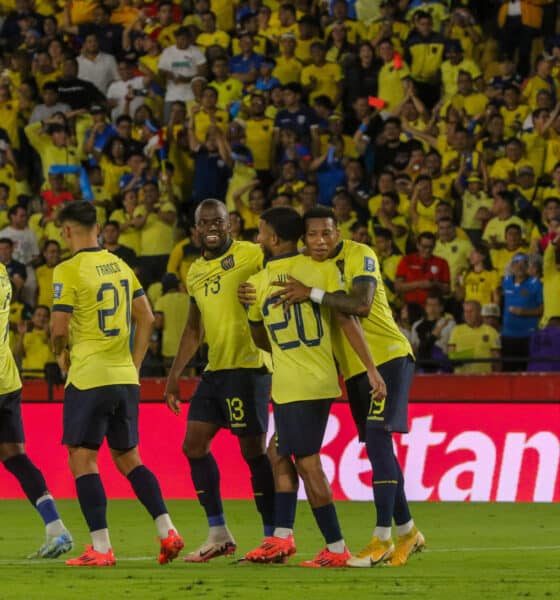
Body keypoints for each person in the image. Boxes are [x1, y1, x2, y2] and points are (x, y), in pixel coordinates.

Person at [261, 206, 424, 567]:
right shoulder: (309, 268)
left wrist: (312, 292)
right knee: (378, 445)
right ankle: (409, 531)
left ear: (338, 232)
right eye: (313, 235)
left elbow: (360, 306)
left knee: (379, 439)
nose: (320, 241)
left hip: (388, 358)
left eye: (327, 234)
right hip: (353, 372)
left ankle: (381, 538)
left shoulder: (359, 254)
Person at [242, 207, 384, 567]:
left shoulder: (258, 283)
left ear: (273, 238)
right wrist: (370, 367)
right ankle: (282, 537)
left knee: (307, 464)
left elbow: (259, 337)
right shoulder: (321, 271)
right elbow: (347, 319)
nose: (258, 238)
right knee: (278, 453)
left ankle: (336, 548)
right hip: (315, 379)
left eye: (260, 232)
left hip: (296, 384)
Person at [50, 201, 183, 566]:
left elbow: (59, 328)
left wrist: (60, 355)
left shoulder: (68, 269)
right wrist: (135, 364)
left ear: (66, 231)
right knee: (129, 458)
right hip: (125, 377)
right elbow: (147, 317)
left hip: (90, 376)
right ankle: (167, 530)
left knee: (83, 459)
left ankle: (102, 548)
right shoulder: (121, 265)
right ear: (97, 227)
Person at [163, 199, 275, 562]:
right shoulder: (194, 272)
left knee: (253, 453)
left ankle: (273, 536)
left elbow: (284, 272)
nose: (211, 227)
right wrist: (174, 375)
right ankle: (219, 534)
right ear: (195, 230)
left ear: (231, 226)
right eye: (203, 222)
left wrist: (265, 293)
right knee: (193, 445)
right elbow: (194, 328)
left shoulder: (253, 254)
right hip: (215, 371)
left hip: (249, 367)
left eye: (218, 222)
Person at [0, 262, 73, 559]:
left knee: (16, 457)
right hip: (7, 379)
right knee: (15, 456)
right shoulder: (3, 271)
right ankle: (56, 528)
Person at [501, 253, 544, 372]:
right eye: (516, 264)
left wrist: (524, 312)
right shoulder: (505, 281)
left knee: (529, 372)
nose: (519, 267)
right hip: (508, 336)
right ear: (512, 266)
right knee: (509, 372)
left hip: (528, 336)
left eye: (523, 264)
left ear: (527, 267)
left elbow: (541, 310)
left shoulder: (536, 284)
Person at [395, 232, 450, 307]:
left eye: (431, 247)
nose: (427, 250)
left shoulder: (442, 262)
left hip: (433, 307)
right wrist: (420, 284)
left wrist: (436, 284)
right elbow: (398, 286)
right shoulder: (407, 260)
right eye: (424, 247)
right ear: (417, 245)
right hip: (411, 307)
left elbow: (447, 290)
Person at [448, 301, 501, 374]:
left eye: (471, 311)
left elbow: (497, 360)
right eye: (466, 312)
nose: (468, 315)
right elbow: (451, 357)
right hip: (461, 378)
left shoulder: (492, 332)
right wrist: (471, 354)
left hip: (484, 378)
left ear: (479, 312)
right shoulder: (456, 330)